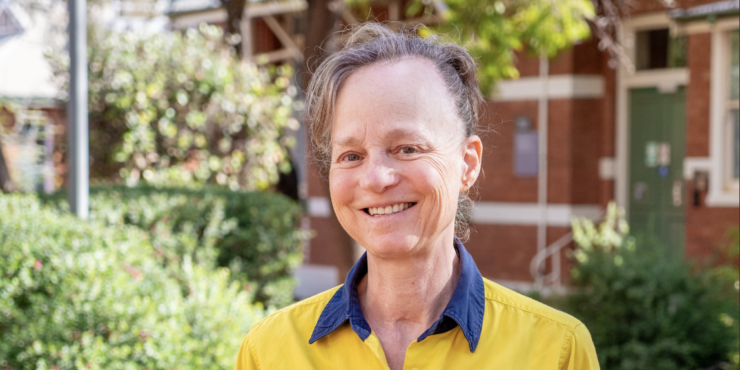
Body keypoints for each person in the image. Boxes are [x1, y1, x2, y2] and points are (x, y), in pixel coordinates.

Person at [234, 22, 600, 370]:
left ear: (467, 163)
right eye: (351, 156)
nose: (376, 178)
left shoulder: (556, 351)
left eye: (407, 148)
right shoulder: (270, 352)